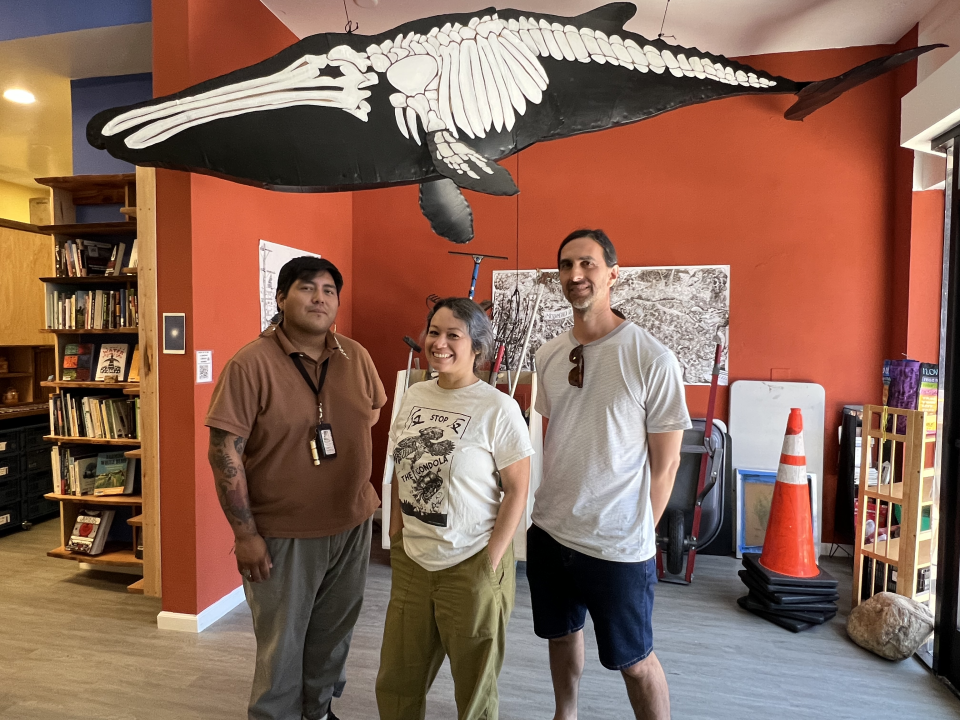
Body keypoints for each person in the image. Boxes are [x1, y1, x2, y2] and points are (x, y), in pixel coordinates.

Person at [206, 256, 386, 720]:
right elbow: (224, 452)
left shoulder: (355, 355)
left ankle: (319, 711)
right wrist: (245, 535)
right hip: (282, 535)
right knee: (281, 650)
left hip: (351, 523)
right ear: (282, 297)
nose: (320, 298)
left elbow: (372, 413)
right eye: (307, 288)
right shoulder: (250, 364)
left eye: (329, 290)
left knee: (332, 637)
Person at [526, 229, 691, 720]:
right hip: (552, 529)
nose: (575, 275)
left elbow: (668, 465)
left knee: (635, 661)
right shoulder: (548, 354)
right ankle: (566, 714)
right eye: (566, 265)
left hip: (618, 544)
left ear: (613, 274)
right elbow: (558, 436)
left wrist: (639, 531)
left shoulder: (652, 358)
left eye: (588, 264)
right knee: (560, 634)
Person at [376, 297, 533, 720]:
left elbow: (518, 489)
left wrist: (492, 558)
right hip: (412, 559)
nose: (439, 343)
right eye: (434, 332)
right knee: (397, 682)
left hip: (471, 564)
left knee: (475, 690)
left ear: (477, 348)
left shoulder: (498, 408)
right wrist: (394, 533)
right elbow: (399, 464)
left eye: (453, 335)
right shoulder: (412, 395)